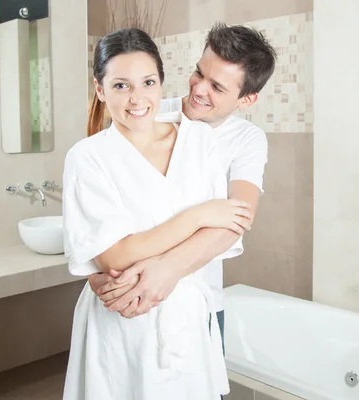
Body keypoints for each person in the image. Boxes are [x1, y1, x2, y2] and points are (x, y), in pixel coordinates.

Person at [62, 28, 255, 399]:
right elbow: (114, 253)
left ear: (162, 83)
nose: (137, 98)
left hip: (184, 319)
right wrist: (197, 216)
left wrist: (162, 262)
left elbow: (228, 226)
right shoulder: (87, 157)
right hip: (122, 320)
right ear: (100, 90)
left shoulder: (198, 142)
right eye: (120, 86)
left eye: (148, 82)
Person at [85, 22, 277, 347]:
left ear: (246, 100)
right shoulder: (149, 111)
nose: (199, 89)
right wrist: (100, 267)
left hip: (198, 300)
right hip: (126, 291)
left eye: (217, 87)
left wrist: (167, 269)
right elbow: (101, 202)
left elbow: (238, 219)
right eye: (199, 73)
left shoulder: (246, 140)